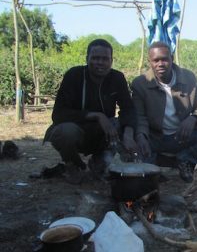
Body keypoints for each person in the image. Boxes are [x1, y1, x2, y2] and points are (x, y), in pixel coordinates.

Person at [44, 38, 138, 183]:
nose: (100, 62)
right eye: (95, 58)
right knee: (66, 132)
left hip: (103, 133)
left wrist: (129, 134)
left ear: (111, 61)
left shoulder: (117, 77)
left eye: (105, 59)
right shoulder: (74, 75)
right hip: (77, 129)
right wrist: (96, 115)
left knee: (128, 126)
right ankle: (73, 165)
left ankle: (99, 164)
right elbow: (58, 114)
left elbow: (128, 108)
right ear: (87, 59)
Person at [131, 41, 197, 183]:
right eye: (156, 60)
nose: (160, 64)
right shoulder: (140, 84)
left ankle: (186, 160)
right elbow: (139, 116)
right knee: (131, 141)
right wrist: (141, 136)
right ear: (150, 62)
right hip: (155, 137)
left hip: (182, 136)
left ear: (171, 58)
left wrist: (193, 119)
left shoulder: (189, 78)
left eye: (164, 59)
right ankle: (151, 166)